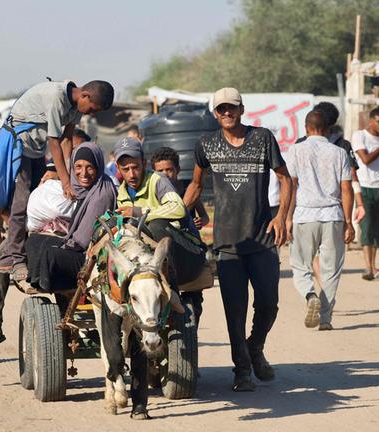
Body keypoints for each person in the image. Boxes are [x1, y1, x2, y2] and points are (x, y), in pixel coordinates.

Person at [184, 87, 291, 392]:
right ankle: (242, 369)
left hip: (262, 239)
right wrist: (175, 214)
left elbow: (285, 179)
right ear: (215, 114)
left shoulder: (262, 139)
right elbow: (195, 183)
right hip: (227, 243)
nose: (227, 114)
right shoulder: (206, 144)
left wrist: (282, 216)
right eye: (221, 110)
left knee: (269, 303)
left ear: (242, 110)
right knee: (235, 309)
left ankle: (254, 346)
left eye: (232, 108)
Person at [0, 79, 115, 282]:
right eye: (92, 109)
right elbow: (55, 142)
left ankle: (31, 245)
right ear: (84, 95)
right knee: (22, 200)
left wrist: (69, 175)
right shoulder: (57, 98)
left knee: (36, 195)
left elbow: (68, 139)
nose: (91, 113)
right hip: (19, 145)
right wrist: (66, 183)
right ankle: (12, 255)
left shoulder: (75, 108)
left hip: (35, 149)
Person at [115, 137, 206, 321]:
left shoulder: (158, 180)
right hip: (152, 262)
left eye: (136, 167)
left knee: (156, 226)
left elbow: (179, 208)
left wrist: (138, 212)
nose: (131, 174)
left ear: (144, 163)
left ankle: (170, 292)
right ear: (118, 169)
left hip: (184, 254)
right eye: (126, 169)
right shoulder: (121, 193)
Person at [286, 111, 355, 330]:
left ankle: (309, 294)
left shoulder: (296, 150)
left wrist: (286, 217)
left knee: (300, 265)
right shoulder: (339, 152)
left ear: (306, 128)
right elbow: (346, 188)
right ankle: (325, 318)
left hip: (305, 215)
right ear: (327, 130)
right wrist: (349, 222)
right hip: (333, 215)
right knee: (331, 269)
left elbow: (291, 185)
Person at [25, 142, 116, 293]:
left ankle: (50, 286)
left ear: (98, 167)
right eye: (78, 167)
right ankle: (37, 281)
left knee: (50, 253)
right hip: (81, 247)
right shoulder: (84, 190)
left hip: (91, 259)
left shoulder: (101, 195)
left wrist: (61, 244)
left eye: (90, 167)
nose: (84, 173)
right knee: (35, 240)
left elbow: (82, 241)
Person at [351, 107, 379, 281]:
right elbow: (365, 160)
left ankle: (374, 266)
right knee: (367, 227)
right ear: (371, 121)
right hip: (365, 188)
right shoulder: (360, 136)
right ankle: (367, 267)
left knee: (378, 229)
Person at [151, 146, 210, 231]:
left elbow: (205, 217)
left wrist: (200, 221)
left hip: (190, 236)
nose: (165, 174)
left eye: (169, 170)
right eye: (160, 171)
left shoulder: (189, 189)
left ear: (178, 169)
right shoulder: (153, 192)